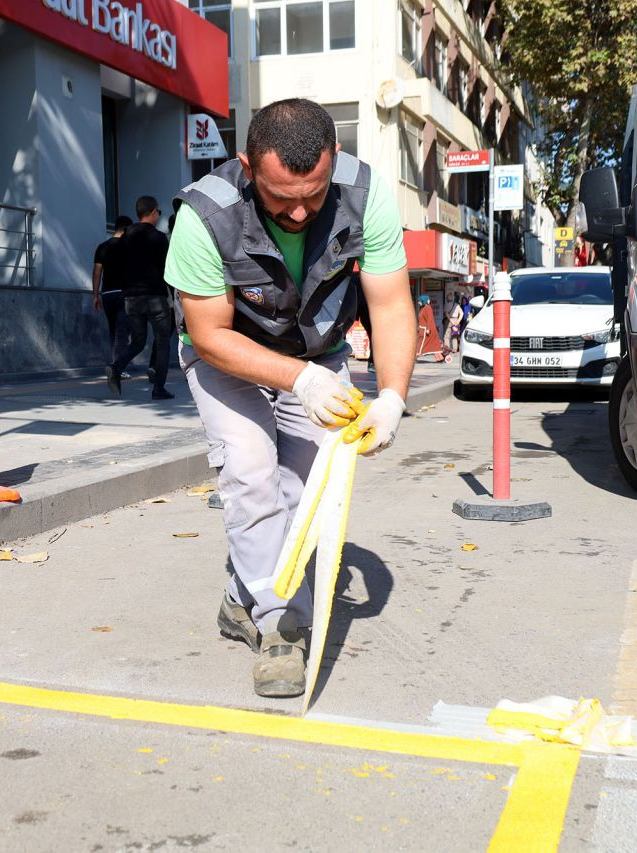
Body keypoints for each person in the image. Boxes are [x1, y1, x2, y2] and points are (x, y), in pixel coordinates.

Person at [166, 99, 415, 698]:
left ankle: (240, 595)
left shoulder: (366, 194)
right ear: (249, 169)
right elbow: (209, 334)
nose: (301, 211)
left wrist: (392, 399)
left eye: (315, 192)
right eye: (282, 198)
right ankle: (282, 628)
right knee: (250, 473)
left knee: (306, 495)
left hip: (319, 353)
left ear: (332, 161)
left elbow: (389, 304)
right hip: (230, 357)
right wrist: (297, 380)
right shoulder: (205, 214)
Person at [107, 195, 174, 400]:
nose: (158, 216)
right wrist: (174, 293)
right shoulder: (159, 238)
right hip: (155, 296)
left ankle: (116, 367)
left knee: (137, 341)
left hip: (131, 298)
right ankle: (159, 388)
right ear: (153, 212)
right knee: (162, 342)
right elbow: (168, 269)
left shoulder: (125, 237)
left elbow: (117, 265)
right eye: (158, 213)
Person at [92, 214, 133, 375]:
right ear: (127, 229)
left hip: (107, 294)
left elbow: (97, 272)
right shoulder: (129, 247)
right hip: (124, 294)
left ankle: (115, 363)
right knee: (122, 333)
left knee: (113, 331)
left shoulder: (103, 246)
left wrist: (96, 295)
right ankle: (118, 369)